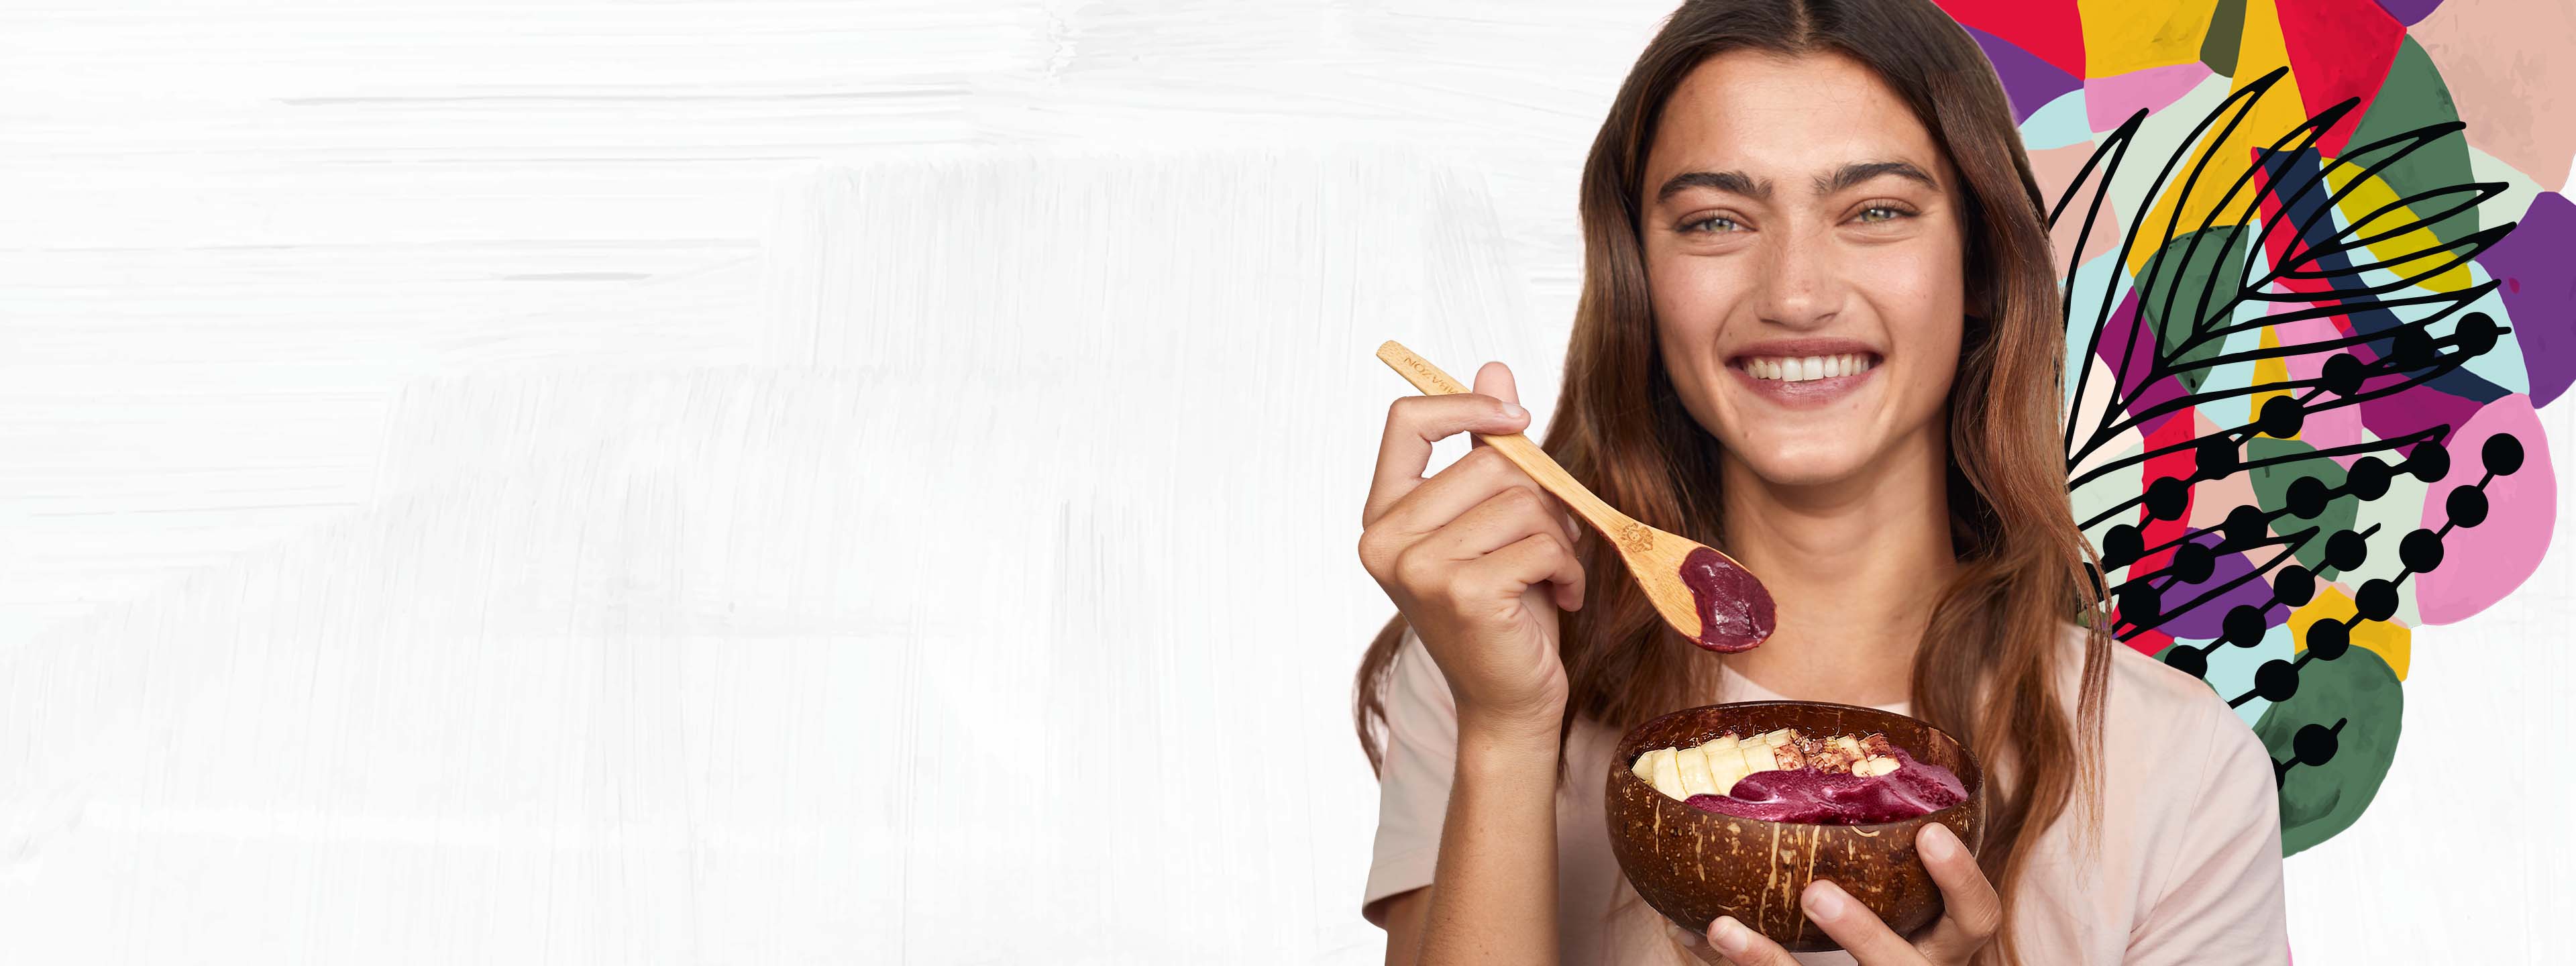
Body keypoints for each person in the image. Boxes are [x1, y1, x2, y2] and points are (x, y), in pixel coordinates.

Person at [1349, 0, 2289, 963]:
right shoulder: (1501, 664)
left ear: (1980, 268)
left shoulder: (2179, 771)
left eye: (1876, 211)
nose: (1796, 294)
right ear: (1641, 280)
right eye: (1717, 220)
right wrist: (1506, 731)